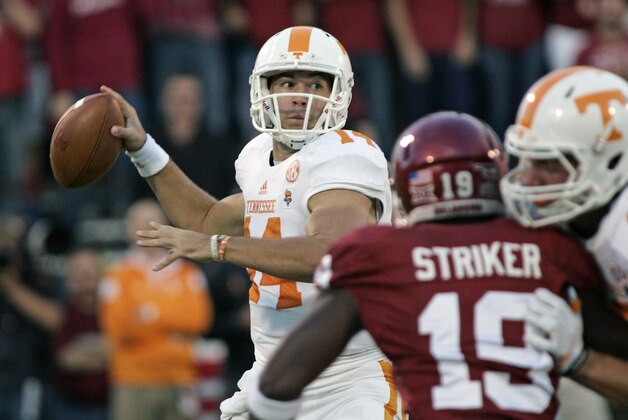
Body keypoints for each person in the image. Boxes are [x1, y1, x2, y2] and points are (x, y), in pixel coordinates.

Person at [101, 25, 403, 419]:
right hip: (271, 374)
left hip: (348, 380)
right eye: (288, 81)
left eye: (315, 84)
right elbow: (207, 219)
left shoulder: (349, 154)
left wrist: (219, 249)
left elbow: (330, 253)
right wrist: (144, 150)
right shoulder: (257, 157)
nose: (300, 96)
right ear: (262, 89)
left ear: (338, 93)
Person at [246, 111, 607, 419]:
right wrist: (577, 360)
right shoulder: (549, 248)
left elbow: (277, 383)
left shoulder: (379, 257)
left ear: (406, 184)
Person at [498, 66, 628, 409]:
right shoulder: (589, 213)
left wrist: (581, 362)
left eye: (549, 164)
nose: (531, 180)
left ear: (612, 160)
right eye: (528, 160)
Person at [98, 199, 213, 420]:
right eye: (138, 223)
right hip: (133, 381)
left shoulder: (188, 272)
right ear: (128, 228)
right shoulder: (116, 274)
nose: (146, 230)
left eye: (153, 223)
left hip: (181, 378)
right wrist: (172, 323)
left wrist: (149, 315)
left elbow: (199, 321)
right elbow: (118, 328)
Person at [50, 247, 109, 420]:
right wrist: (104, 354)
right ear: (69, 278)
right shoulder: (62, 310)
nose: (84, 278)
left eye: (89, 272)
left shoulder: (115, 308)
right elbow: (66, 359)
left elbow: (121, 353)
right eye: (78, 272)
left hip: (110, 404)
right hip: (70, 405)